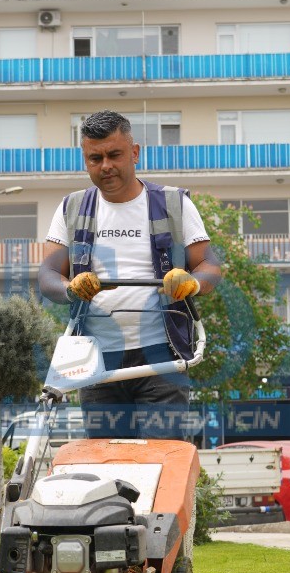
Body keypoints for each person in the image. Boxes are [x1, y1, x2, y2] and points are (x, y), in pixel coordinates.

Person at [38, 110, 221, 439]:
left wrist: (191, 283)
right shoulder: (71, 208)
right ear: (85, 159)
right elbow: (48, 275)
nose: (105, 165)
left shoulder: (173, 204)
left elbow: (210, 266)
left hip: (161, 360)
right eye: (95, 158)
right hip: (97, 364)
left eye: (114, 155)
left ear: (134, 153)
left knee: (160, 464)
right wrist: (70, 288)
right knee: (106, 470)